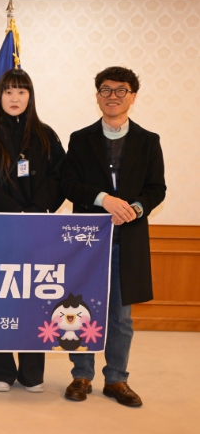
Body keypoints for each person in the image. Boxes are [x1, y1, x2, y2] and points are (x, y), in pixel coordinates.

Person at [61, 66, 165, 407]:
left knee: (121, 315)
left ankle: (116, 379)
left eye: (121, 90)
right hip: (88, 240)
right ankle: (81, 375)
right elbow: (69, 184)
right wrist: (103, 199)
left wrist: (134, 208)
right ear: (97, 96)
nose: (113, 96)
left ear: (132, 97)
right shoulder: (80, 139)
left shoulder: (148, 141)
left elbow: (156, 188)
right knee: (81, 309)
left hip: (128, 238)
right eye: (106, 90)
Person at [0, 68, 66, 394]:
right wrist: (12, 211)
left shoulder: (46, 135)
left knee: (34, 299)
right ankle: (0, 369)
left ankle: (32, 374)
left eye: (22, 91)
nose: (15, 98)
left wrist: (33, 212)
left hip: (36, 229)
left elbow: (58, 177)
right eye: (8, 91)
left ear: (30, 97)